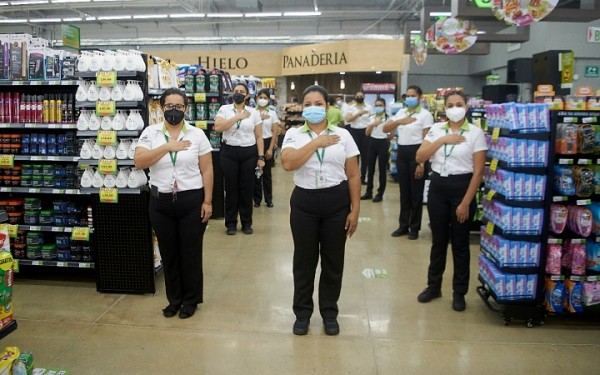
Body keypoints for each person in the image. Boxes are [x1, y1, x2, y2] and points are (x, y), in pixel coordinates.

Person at [281, 85, 360, 336]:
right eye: (307, 104)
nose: (313, 107)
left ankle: (329, 313)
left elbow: (353, 174)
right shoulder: (293, 134)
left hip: (336, 202)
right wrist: (316, 143)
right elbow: (287, 163)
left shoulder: (343, 136)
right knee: (304, 261)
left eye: (318, 103)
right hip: (304, 202)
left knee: (333, 261)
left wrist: (354, 210)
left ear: (327, 106)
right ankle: (302, 313)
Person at [134, 88, 213, 320]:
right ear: (161, 107)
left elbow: (207, 169)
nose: (174, 111)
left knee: (190, 252)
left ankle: (190, 300)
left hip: (191, 201)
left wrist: (208, 200)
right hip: (161, 203)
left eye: (179, 106)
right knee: (169, 253)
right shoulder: (151, 133)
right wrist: (167, 146)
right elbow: (139, 161)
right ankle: (174, 299)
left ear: (186, 109)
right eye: (169, 106)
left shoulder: (198, 135)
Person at [414, 90, 487, 312]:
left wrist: (465, 203)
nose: (454, 108)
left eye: (459, 104)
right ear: (444, 108)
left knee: (460, 243)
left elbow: (478, 172)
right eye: (450, 105)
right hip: (437, 188)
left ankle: (459, 292)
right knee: (438, 241)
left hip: (462, 188)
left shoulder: (476, 133)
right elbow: (420, 157)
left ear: (466, 106)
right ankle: (433, 286)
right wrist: (443, 140)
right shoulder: (437, 129)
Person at [383, 85, 434, 240]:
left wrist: (421, 163)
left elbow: (427, 140)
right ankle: (403, 225)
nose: (410, 98)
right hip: (402, 154)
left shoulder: (425, 115)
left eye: (413, 95)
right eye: (408, 95)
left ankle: (414, 227)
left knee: (416, 193)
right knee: (404, 192)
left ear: (419, 97)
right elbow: (386, 127)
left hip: (417, 154)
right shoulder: (401, 112)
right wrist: (401, 121)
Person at [214, 82, 264, 235]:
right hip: (229, 152)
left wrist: (260, 157)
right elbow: (218, 128)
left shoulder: (253, 112)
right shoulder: (224, 109)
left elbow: (259, 136)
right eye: (236, 91)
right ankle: (230, 223)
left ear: (247, 95)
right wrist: (238, 117)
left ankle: (247, 223)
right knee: (231, 188)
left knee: (246, 188)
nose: (238, 93)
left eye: (242, 91)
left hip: (249, 152)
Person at [253, 88, 280, 208]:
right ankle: (257, 199)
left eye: (265, 98)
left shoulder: (272, 113)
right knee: (256, 172)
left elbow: (275, 132)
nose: (262, 100)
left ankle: (269, 199)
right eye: (260, 97)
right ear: (256, 98)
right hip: (254, 143)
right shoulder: (252, 112)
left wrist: (271, 148)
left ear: (269, 100)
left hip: (268, 141)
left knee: (267, 173)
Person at [361, 98, 391, 202]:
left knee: (382, 170)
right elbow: (367, 133)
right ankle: (369, 192)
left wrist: (386, 142)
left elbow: (390, 134)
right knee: (370, 169)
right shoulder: (371, 117)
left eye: (380, 105)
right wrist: (373, 124)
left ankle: (380, 193)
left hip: (383, 143)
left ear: (384, 106)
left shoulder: (388, 118)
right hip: (372, 142)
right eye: (376, 105)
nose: (378, 107)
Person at [345, 91, 373, 184]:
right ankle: (355, 176)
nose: (360, 97)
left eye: (361, 96)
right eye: (358, 96)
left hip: (365, 132)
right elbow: (349, 119)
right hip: (355, 132)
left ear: (364, 97)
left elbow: (372, 119)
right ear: (355, 97)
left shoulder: (369, 107)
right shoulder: (351, 107)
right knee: (355, 155)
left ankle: (363, 177)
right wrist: (359, 113)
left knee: (365, 156)